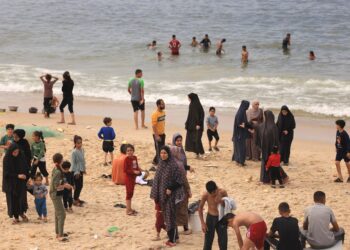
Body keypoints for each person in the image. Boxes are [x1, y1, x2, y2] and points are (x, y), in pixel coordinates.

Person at [150, 146, 186, 247]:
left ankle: (172, 240)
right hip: (162, 195)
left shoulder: (173, 165)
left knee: (170, 217)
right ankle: (176, 237)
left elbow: (180, 180)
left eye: (165, 153)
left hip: (171, 196)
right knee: (167, 217)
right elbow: (157, 181)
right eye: (161, 153)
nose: (163, 155)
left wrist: (170, 188)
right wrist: (156, 195)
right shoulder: (161, 164)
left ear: (169, 154)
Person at [256, 110, 287, 184]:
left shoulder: (265, 126)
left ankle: (268, 179)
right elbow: (276, 140)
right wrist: (277, 149)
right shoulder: (272, 127)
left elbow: (259, 138)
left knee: (270, 164)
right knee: (271, 164)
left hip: (267, 149)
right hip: (270, 149)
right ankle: (268, 179)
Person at [2, 143, 29, 224]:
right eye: (14, 152)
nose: (16, 154)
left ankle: (21, 213)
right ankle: (16, 217)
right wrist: (17, 175)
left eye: (17, 152)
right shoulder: (7, 159)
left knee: (21, 199)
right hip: (10, 183)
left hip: (21, 182)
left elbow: (26, 168)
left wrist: (27, 177)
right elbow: (6, 173)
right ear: (10, 151)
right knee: (13, 200)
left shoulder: (21, 156)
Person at [199, 181, 228, 250]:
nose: (213, 194)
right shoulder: (205, 195)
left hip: (221, 218)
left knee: (223, 242)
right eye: (211, 193)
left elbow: (228, 206)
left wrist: (220, 201)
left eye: (214, 192)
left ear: (216, 189)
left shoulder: (222, 192)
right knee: (208, 242)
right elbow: (200, 209)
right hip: (210, 218)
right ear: (208, 192)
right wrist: (203, 223)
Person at [50, 153, 72, 242]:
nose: (63, 161)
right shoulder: (58, 171)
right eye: (62, 160)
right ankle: (60, 235)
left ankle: (58, 232)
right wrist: (66, 185)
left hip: (56, 194)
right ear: (59, 162)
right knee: (62, 214)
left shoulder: (57, 168)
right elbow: (56, 186)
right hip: (55, 194)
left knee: (57, 214)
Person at [170, 145, 192, 235]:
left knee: (173, 210)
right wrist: (188, 189)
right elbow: (183, 179)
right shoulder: (179, 164)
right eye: (178, 152)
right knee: (183, 209)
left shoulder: (167, 163)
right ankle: (185, 228)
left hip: (170, 191)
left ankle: (174, 231)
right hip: (180, 190)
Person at [232, 100, 252, 166]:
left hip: (240, 133)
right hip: (239, 134)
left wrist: (247, 126)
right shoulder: (240, 113)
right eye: (247, 106)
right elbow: (238, 124)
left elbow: (244, 122)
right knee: (241, 148)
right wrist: (244, 126)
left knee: (239, 147)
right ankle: (240, 162)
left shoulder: (242, 112)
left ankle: (239, 161)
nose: (248, 107)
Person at [123, 144, 142, 215]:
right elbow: (125, 170)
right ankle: (128, 210)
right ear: (126, 152)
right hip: (128, 178)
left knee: (131, 193)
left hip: (133, 178)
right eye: (128, 151)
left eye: (131, 150)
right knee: (129, 193)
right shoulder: (126, 159)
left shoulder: (135, 157)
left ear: (133, 151)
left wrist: (140, 171)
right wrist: (134, 172)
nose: (129, 152)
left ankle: (130, 208)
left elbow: (136, 166)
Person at [185, 93, 205, 157]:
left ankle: (201, 153)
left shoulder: (198, 105)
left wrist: (199, 124)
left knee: (197, 139)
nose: (188, 99)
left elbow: (202, 115)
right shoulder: (191, 104)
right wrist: (187, 123)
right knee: (193, 139)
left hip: (198, 126)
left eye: (189, 98)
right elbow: (190, 115)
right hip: (192, 126)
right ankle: (197, 153)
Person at [71, 135, 86, 207]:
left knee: (81, 185)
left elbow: (83, 161)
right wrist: (76, 172)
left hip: (81, 170)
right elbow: (73, 163)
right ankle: (75, 200)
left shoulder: (82, 150)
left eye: (80, 143)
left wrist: (84, 169)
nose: (79, 144)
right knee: (77, 186)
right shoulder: (74, 152)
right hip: (75, 171)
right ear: (75, 143)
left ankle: (76, 198)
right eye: (78, 143)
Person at [152, 99, 166, 165]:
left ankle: (155, 161)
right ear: (158, 105)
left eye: (163, 103)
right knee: (158, 150)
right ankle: (158, 163)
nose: (163, 105)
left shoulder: (163, 112)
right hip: (157, 135)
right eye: (162, 104)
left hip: (162, 134)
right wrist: (156, 135)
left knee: (161, 148)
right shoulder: (155, 114)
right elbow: (153, 126)